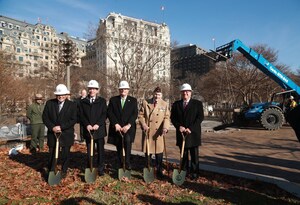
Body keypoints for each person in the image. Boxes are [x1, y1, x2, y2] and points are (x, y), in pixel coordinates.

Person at [42, 84, 77, 178]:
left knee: (66, 154)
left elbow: (73, 119)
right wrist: (52, 127)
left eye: (63, 95)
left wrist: (61, 127)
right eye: (58, 95)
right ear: (55, 95)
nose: (61, 97)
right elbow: (45, 117)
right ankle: (52, 169)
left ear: (66, 95)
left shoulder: (72, 105)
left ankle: (64, 170)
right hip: (53, 133)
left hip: (66, 133)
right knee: (52, 152)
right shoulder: (50, 103)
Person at [170, 83, 204, 179]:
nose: (185, 93)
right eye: (183, 91)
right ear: (181, 93)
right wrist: (179, 126)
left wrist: (191, 128)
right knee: (183, 154)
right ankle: (184, 171)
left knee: (194, 155)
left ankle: (194, 173)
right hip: (181, 133)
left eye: (187, 91)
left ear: (190, 93)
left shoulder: (197, 104)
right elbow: (173, 118)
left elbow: (200, 118)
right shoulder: (176, 104)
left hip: (193, 134)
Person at [138, 86, 170, 178]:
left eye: (159, 94)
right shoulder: (145, 102)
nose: (157, 96)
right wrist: (143, 124)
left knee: (159, 153)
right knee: (148, 152)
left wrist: (165, 128)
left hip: (158, 133)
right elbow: (141, 116)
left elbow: (167, 117)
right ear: (153, 94)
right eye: (156, 94)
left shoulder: (164, 104)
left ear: (161, 95)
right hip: (148, 131)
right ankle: (148, 169)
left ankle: (159, 170)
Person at [107, 80, 138, 170]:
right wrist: (115, 124)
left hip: (128, 128)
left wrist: (128, 125)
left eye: (125, 89)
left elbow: (134, 114)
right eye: (121, 89)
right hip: (117, 128)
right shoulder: (113, 100)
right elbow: (110, 112)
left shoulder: (133, 100)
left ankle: (127, 163)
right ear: (119, 90)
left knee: (127, 142)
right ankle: (121, 162)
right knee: (119, 145)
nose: (123, 91)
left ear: (128, 90)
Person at [79, 80, 107, 176]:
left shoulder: (102, 101)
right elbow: (81, 115)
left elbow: (104, 114)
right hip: (88, 130)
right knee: (89, 150)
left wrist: (98, 124)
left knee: (100, 150)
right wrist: (87, 124)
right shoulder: (83, 102)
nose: (92, 91)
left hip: (99, 130)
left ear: (97, 90)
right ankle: (90, 166)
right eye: (90, 89)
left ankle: (100, 168)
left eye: (94, 89)